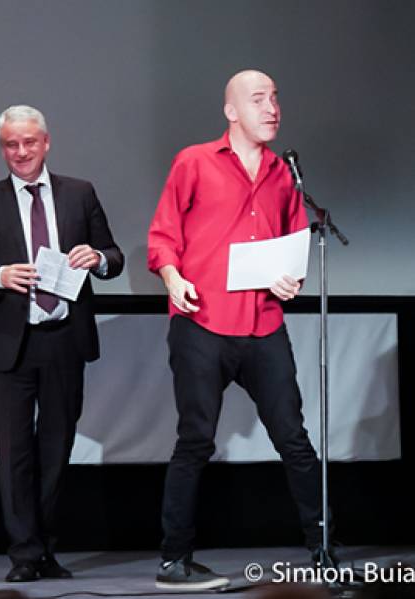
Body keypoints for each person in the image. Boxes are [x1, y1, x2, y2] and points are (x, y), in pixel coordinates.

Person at [147, 69, 326, 591]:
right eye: (258, 99)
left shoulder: (283, 172)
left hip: (263, 323)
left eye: (275, 98)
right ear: (231, 111)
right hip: (202, 321)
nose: (272, 108)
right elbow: (163, 234)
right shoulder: (194, 161)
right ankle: (174, 561)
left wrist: (291, 279)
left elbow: (293, 240)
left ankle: (323, 548)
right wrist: (172, 277)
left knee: (294, 439)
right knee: (195, 441)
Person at [0, 105, 123, 583]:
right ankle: (24, 554)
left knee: (56, 450)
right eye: (11, 145)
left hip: (65, 339)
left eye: (28, 142)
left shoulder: (79, 194)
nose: (21, 152)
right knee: (14, 454)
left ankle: (46, 549)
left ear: (46, 142)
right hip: (12, 343)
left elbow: (114, 255)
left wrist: (98, 258)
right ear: (2, 148)